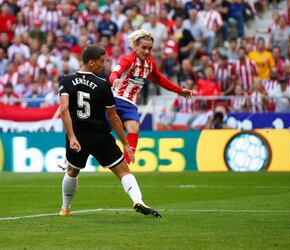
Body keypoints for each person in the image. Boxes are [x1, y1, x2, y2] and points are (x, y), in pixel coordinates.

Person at [59, 45, 161, 218]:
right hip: (100, 137)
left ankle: (65, 208)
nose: (104, 64)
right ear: (90, 62)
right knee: (123, 171)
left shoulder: (67, 80)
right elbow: (113, 118)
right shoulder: (103, 84)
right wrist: (126, 143)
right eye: (101, 61)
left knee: (72, 171)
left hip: (78, 136)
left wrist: (71, 137)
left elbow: (63, 109)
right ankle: (138, 200)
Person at [109, 29, 192, 164]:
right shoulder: (127, 59)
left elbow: (161, 80)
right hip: (115, 100)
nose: (147, 51)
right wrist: (115, 80)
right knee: (100, 132)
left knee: (134, 127)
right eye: (144, 48)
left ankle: (125, 164)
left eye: (150, 48)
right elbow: (114, 73)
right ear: (136, 46)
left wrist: (179, 90)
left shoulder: (150, 64)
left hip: (130, 104)